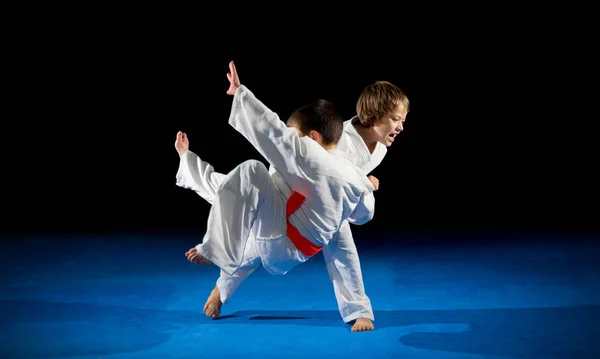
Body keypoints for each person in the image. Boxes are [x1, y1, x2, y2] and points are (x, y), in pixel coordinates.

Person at [177, 69, 409, 332]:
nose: (401, 125)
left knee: (342, 250)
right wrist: (242, 96)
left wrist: (364, 188)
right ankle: (220, 281)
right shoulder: (335, 142)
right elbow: (279, 139)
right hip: (294, 193)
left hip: (331, 207)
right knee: (242, 207)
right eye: (395, 118)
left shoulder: (378, 146)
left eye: (402, 119)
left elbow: (361, 208)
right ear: (374, 116)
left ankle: (358, 311)